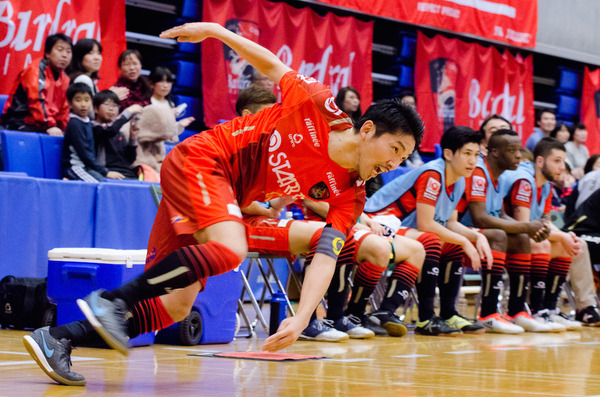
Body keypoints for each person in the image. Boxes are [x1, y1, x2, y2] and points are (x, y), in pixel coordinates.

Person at [23, 21, 424, 385]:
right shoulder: (319, 104)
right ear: (368, 130)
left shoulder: (349, 194)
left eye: (403, 157)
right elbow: (270, 63)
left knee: (177, 307)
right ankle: (110, 300)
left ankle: (57, 338)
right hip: (205, 158)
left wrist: (303, 316)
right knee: (232, 249)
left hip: (220, 196)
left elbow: (326, 254)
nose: (394, 162)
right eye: (395, 148)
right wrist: (216, 31)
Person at [365, 126, 491, 336]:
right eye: (467, 154)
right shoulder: (433, 174)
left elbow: (450, 224)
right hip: (377, 222)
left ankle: (448, 313)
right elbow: (426, 224)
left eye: (476, 155)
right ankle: (425, 317)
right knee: (432, 239)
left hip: (404, 229)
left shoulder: (458, 180)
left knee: (451, 244)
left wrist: (476, 236)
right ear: (449, 154)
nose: (473, 161)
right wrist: (465, 241)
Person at [462, 129, 553, 333]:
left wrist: (528, 230)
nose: (519, 155)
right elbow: (481, 218)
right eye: (512, 150)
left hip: (477, 235)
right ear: (494, 152)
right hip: (460, 231)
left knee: (522, 239)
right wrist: (526, 226)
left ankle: (517, 311)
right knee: (499, 235)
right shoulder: (478, 171)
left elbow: (501, 214)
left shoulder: (500, 176)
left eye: (519, 150)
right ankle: (487, 313)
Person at [503, 137, 582, 330]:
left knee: (564, 246)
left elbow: (545, 223)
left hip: (520, 237)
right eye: (556, 161)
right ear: (539, 161)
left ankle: (549, 310)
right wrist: (562, 235)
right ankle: (535, 311)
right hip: (504, 237)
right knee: (542, 243)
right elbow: (524, 226)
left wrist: (565, 236)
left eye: (563, 161)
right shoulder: (525, 181)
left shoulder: (545, 184)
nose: (562, 167)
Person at [1, 34, 72, 136]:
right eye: (60, 50)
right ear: (47, 53)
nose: (65, 55)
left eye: (68, 51)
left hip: (41, 124)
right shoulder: (35, 70)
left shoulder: (65, 78)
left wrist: (63, 129)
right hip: (19, 121)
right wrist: (50, 125)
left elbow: (64, 110)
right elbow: (37, 101)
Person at [61, 83, 123, 182]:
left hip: (86, 167)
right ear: (70, 104)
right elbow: (85, 153)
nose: (83, 104)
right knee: (97, 185)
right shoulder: (74, 124)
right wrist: (105, 172)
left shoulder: (87, 122)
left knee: (104, 182)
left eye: (87, 100)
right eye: (78, 100)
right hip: (75, 167)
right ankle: (69, 180)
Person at [93, 90, 143, 179]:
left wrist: (133, 138)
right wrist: (127, 112)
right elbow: (110, 131)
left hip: (127, 174)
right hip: (107, 172)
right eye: (107, 104)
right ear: (95, 109)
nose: (111, 109)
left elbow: (129, 160)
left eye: (115, 106)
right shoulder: (94, 128)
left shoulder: (118, 132)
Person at [148, 66, 195, 134]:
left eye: (168, 82)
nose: (166, 86)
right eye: (162, 81)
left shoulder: (170, 104)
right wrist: (167, 115)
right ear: (152, 84)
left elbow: (169, 133)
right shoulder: (147, 102)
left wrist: (180, 125)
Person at [399, 90, 424, 168]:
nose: (410, 106)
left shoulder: (413, 124)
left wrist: (418, 162)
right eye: (406, 103)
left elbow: (413, 151)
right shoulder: (391, 122)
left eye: (412, 104)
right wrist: (409, 165)